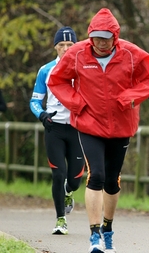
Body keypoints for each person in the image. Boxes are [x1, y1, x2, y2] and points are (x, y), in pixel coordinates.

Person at [47, 8, 149, 253]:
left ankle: (108, 230)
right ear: (90, 36)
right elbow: (56, 80)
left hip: (122, 125)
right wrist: (76, 104)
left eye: (106, 38)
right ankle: (94, 236)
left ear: (115, 36)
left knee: (112, 180)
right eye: (96, 37)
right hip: (89, 123)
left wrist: (132, 97)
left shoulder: (131, 53)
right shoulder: (78, 53)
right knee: (96, 175)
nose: (101, 43)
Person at [30, 26, 85, 235]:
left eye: (69, 45)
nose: (65, 48)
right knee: (58, 174)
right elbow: (35, 101)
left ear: (76, 46)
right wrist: (42, 115)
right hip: (54, 128)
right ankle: (60, 219)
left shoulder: (84, 69)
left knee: (74, 179)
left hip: (77, 129)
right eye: (61, 45)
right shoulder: (46, 70)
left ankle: (69, 192)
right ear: (55, 47)